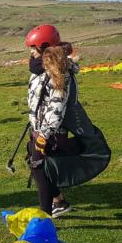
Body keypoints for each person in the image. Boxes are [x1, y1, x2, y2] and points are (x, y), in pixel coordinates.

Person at [25, 25, 76, 218]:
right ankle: (59, 202)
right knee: (37, 165)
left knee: (40, 170)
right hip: (39, 127)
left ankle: (44, 219)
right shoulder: (41, 68)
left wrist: (44, 135)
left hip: (50, 133)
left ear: (45, 48)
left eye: (33, 48)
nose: (31, 53)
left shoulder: (57, 70)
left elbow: (57, 105)